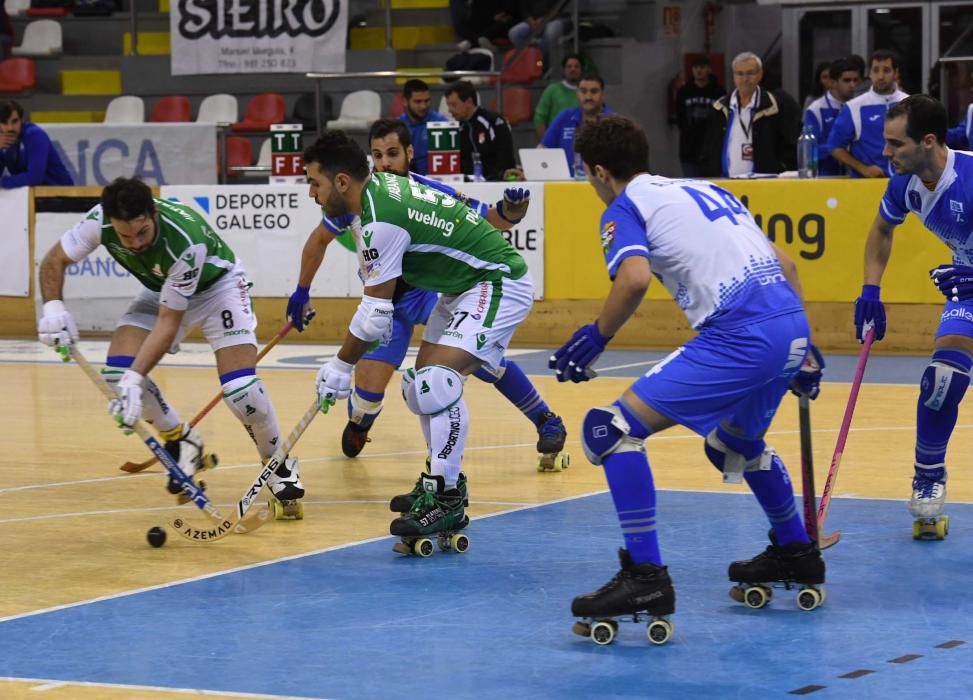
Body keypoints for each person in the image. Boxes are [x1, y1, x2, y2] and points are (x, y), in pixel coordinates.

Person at [550, 115, 826, 636]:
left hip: (740, 333)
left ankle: (646, 578)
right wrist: (804, 345)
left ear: (600, 171)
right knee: (732, 446)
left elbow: (633, 279)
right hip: (787, 324)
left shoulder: (625, 207)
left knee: (609, 430)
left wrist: (597, 336)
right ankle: (796, 552)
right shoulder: (700, 187)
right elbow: (786, 264)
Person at [286, 119, 566, 467]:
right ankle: (367, 424)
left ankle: (540, 421)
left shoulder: (415, 194)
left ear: (409, 153)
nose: (385, 162)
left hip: (429, 293)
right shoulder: (356, 199)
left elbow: (486, 222)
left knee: (464, 368)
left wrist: (509, 213)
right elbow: (318, 241)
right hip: (392, 301)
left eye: (392, 154)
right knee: (371, 400)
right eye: (377, 155)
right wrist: (301, 291)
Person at [305, 131, 535, 547]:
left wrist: (341, 365)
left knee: (437, 382)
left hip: (495, 281)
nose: (311, 194)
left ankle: (445, 498)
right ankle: (442, 481)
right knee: (419, 386)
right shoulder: (381, 192)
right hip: (461, 287)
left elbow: (376, 314)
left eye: (315, 183)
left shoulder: (380, 218)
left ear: (341, 182)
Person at [36, 177, 304, 508]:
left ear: (154, 215)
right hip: (162, 289)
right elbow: (53, 260)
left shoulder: (184, 241)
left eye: (142, 233)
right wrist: (52, 308)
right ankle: (182, 440)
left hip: (218, 290)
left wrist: (137, 379)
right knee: (116, 375)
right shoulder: (99, 219)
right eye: (125, 236)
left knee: (243, 392)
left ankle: (278, 464)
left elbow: (168, 324)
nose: (134, 244)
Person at [853, 95, 973, 536]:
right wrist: (870, 290)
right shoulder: (903, 182)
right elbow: (882, 230)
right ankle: (928, 478)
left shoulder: (971, 180)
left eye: (894, 144)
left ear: (927, 142)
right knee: (941, 380)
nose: (885, 153)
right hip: (970, 291)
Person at [700, 52, 798, 177]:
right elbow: (709, 148)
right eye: (740, 74)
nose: (745, 79)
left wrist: (780, 169)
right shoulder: (720, 107)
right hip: (726, 182)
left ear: (760, 74)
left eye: (750, 73)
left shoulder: (775, 106)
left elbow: (789, 146)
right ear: (733, 76)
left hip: (765, 182)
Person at [825, 50, 908, 178]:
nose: (880, 76)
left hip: (905, 183)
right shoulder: (854, 107)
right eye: (875, 70)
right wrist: (863, 169)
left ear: (896, 73)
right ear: (869, 74)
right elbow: (834, 146)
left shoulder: (910, 103)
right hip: (866, 185)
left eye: (886, 70)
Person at [444, 80, 518, 181]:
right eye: (448, 105)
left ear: (469, 102)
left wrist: (497, 176)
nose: (449, 110)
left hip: (498, 182)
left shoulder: (493, 122)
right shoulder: (458, 128)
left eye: (454, 105)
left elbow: (506, 160)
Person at [541, 72, 611, 177]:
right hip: (565, 187)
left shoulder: (614, 122)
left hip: (604, 189)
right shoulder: (564, 117)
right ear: (577, 93)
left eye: (594, 91)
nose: (588, 96)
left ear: (603, 95)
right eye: (583, 91)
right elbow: (543, 151)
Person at [803, 58, 862, 176]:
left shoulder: (861, 106)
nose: (852, 85)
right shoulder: (816, 110)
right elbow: (809, 150)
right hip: (826, 178)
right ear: (833, 82)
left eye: (856, 80)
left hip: (856, 178)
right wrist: (838, 149)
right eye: (847, 80)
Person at [0, 100, 73, 188]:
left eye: (14, 121)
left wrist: (2, 182)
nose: (10, 128)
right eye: (4, 123)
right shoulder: (3, 142)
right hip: (32, 196)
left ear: (21, 120)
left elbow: (35, 177)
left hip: (62, 194)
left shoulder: (34, 135)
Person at [674, 55, 725, 177]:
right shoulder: (684, 92)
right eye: (695, 67)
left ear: (709, 70)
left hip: (712, 150)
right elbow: (679, 118)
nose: (698, 71)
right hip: (689, 149)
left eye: (702, 67)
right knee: (692, 186)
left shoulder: (719, 92)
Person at [397, 79, 449, 176]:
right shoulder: (397, 126)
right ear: (405, 101)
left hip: (436, 182)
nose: (423, 106)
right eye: (418, 102)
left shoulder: (441, 122)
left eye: (427, 101)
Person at [508, 0, 571, 70]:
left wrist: (544, 19)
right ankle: (529, 60)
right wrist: (530, 21)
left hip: (557, 19)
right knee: (514, 33)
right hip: (534, 21)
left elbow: (560, 8)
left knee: (550, 33)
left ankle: (541, 62)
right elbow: (524, 10)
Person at [533, 53, 582, 140]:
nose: (572, 69)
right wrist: (546, 143)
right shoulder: (552, 90)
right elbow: (539, 118)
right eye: (569, 66)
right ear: (564, 70)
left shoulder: (586, 93)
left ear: (581, 70)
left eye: (576, 66)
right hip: (555, 142)